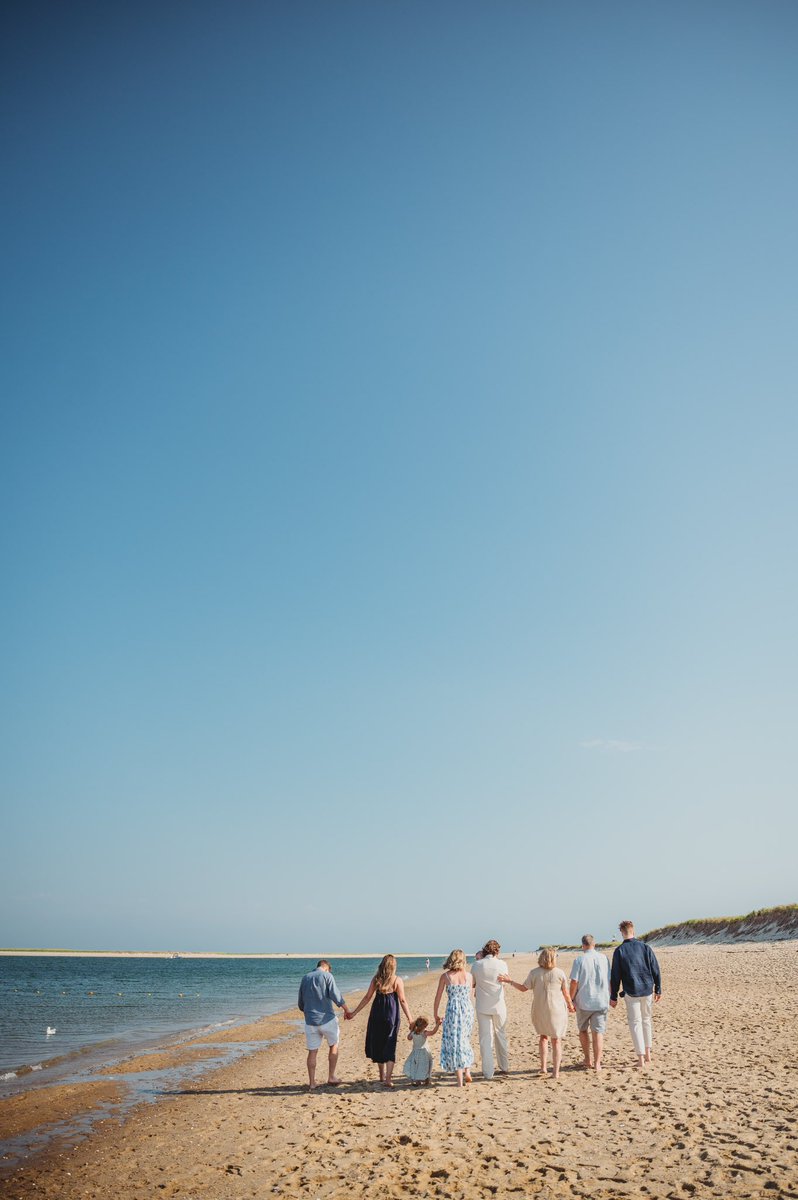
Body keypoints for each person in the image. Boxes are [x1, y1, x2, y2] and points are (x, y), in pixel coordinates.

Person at [500, 948, 575, 1080]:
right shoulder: (560, 973)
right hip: (557, 1010)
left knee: (543, 1037)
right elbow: (566, 993)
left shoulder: (534, 973)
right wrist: (570, 1005)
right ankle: (556, 1072)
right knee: (556, 1040)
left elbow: (523, 988)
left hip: (540, 1008)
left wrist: (510, 981)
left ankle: (543, 1067)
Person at [346, 954, 413, 1088]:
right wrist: (410, 1019)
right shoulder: (397, 980)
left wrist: (354, 1012)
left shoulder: (376, 979)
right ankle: (388, 1079)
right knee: (390, 1044)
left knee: (379, 1042)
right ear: (393, 966)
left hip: (377, 1014)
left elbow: (367, 997)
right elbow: (402, 1000)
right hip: (391, 1015)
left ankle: (382, 1076)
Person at [610, 920, 662, 1069]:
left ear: (622, 933)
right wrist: (658, 988)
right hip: (647, 989)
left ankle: (641, 1058)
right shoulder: (645, 947)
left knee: (635, 1023)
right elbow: (655, 968)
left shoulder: (619, 951)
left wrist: (613, 996)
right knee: (646, 1021)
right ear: (633, 931)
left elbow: (615, 976)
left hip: (631, 990)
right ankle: (648, 1055)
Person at [297, 959, 351, 1089]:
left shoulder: (305, 978)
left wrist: (308, 1012)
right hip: (327, 1019)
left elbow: (301, 1003)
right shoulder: (327, 976)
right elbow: (336, 995)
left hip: (310, 1021)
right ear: (327, 968)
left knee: (312, 1052)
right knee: (333, 1045)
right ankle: (331, 1076)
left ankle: (312, 1083)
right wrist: (346, 1010)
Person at [433, 949, 475, 1086]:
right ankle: (467, 1071)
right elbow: (470, 996)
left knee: (455, 1042)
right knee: (465, 1040)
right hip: (467, 1009)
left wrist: (435, 1014)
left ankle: (460, 1081)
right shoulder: (469, 976)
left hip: (453, 1011)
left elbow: (438, 997)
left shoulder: (445, 976)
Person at [569, 934, 610, 1071]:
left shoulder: (579, 960)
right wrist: (610, 996)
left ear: (583, 945)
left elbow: (574, 982)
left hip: (584, 1001)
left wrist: (570, 999)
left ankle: (588, 1059)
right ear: (594, 944)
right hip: (601, 1000)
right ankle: (597, 1062)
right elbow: (609, 980)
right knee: (598, 1032)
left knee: (583, 1030)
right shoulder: (604, 958)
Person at [471, 938, 510, 1080]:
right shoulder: (502, 964)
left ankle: (488, 1072)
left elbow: (473, 983)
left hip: (482, 1005)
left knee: (485, 1038)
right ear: (497, 951)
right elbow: (504, 983)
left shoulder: (476, 965)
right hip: (498, 1004)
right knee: (501, 1035)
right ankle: (504, 1066)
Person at [403, 1015, 438, 1085]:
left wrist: (411, 1030)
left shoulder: (413, 1033)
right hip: (424, 1053)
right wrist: (437, 1025)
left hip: (415, 1052)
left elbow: (409, 1038)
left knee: (416, 1066)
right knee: (425, 1066)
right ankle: (427, 1079)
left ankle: (417, 1080)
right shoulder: (424, 1033)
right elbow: (433, 1032)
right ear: (424, 1026)